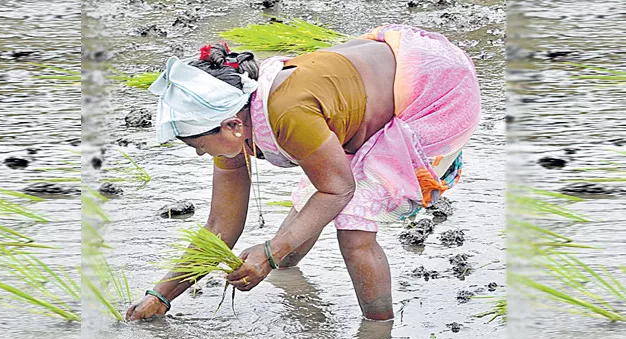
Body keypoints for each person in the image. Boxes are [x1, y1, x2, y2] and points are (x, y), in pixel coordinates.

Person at [126, 24, 481, 322]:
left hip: (431, 89)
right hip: (379, 79)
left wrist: (269, 250)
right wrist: (162, 295)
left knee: (354, 225)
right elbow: (221, 225)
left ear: (233, 126)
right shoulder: (235, 122)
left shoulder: (288, 114)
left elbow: (338, 190)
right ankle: (285, 261)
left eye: (198, 145)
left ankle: (377, 338)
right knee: (304, 218)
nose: (201, 153)